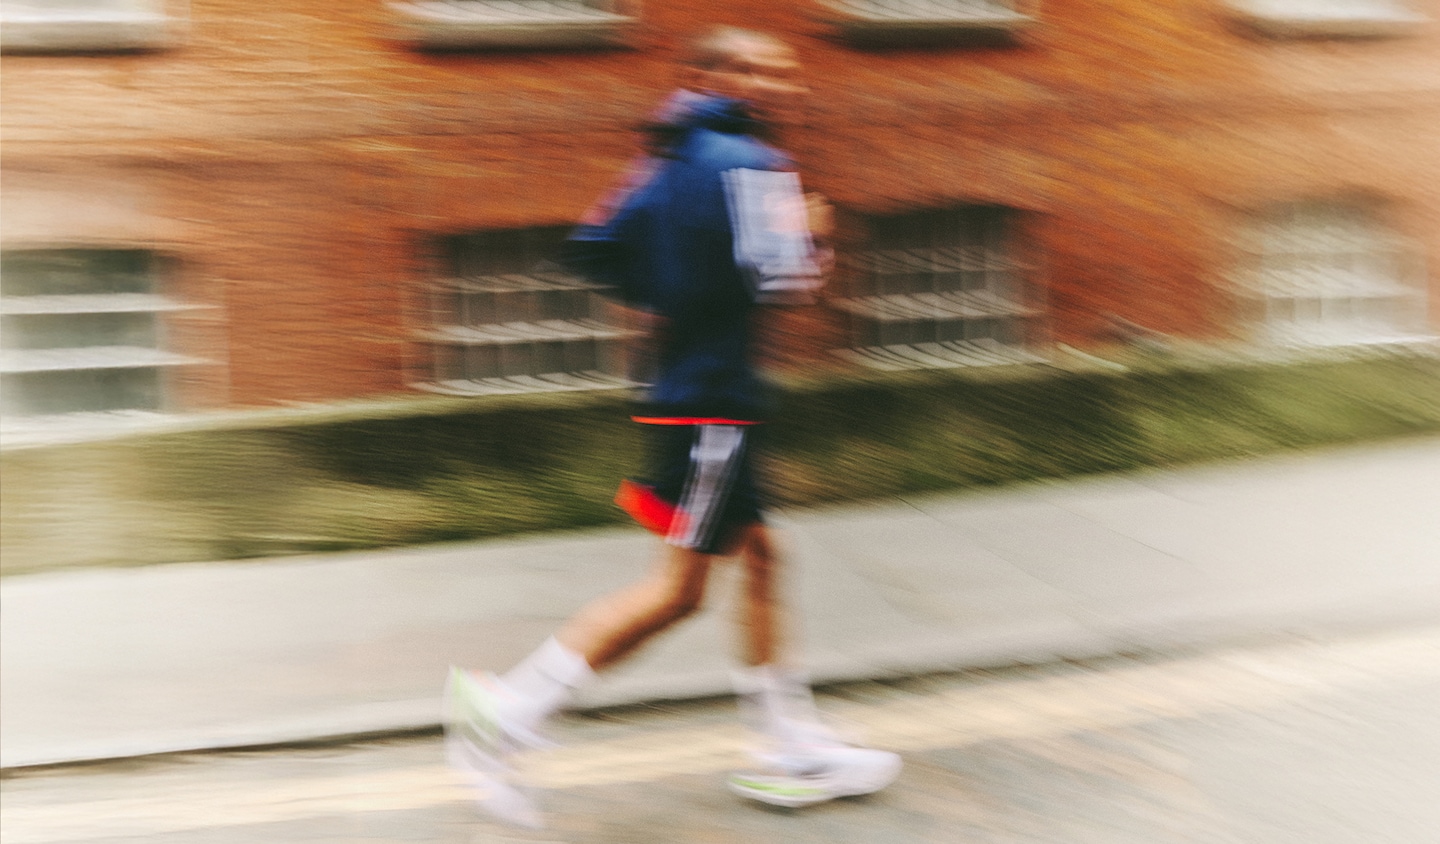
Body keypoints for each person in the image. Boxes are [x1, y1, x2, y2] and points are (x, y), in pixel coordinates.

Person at [444, 26, 901, 828]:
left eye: (783, 71)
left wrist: (681, 288)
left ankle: (784, 741)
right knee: (679, 592)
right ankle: (505, 712)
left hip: (685, 393)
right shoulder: (755, 165)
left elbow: (593, 252)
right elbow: (787, 283)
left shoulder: (658, 164)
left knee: (762, 556)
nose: (778, 85)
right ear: (710, 75)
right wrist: (815, 237)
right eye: (760, 69)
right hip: (715, 403)